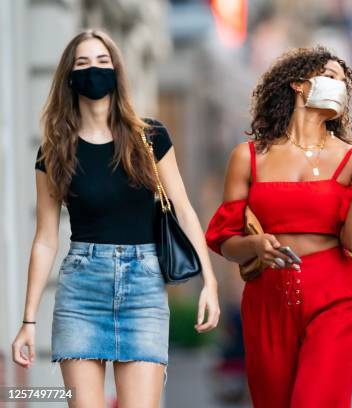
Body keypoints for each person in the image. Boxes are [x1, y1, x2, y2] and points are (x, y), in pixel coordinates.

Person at [11, 29, 220, 407]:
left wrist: (210, 282)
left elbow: (185, 210)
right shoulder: (55, 151)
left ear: (117, 72)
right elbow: (45, 238)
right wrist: (28, 321)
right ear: (70, 77)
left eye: (103, 62)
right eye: (84, 63)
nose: (94, 70)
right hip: (81, 291)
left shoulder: (150, 136)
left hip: (144, 288)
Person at [205, 46, 352, 408]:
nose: (340, 86)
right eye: (331, 77)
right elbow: (226, 240)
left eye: (344, 82)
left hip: (335, 297)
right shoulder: (247, 157)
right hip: (267, 300)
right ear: (299, 85)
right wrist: (256, 245)